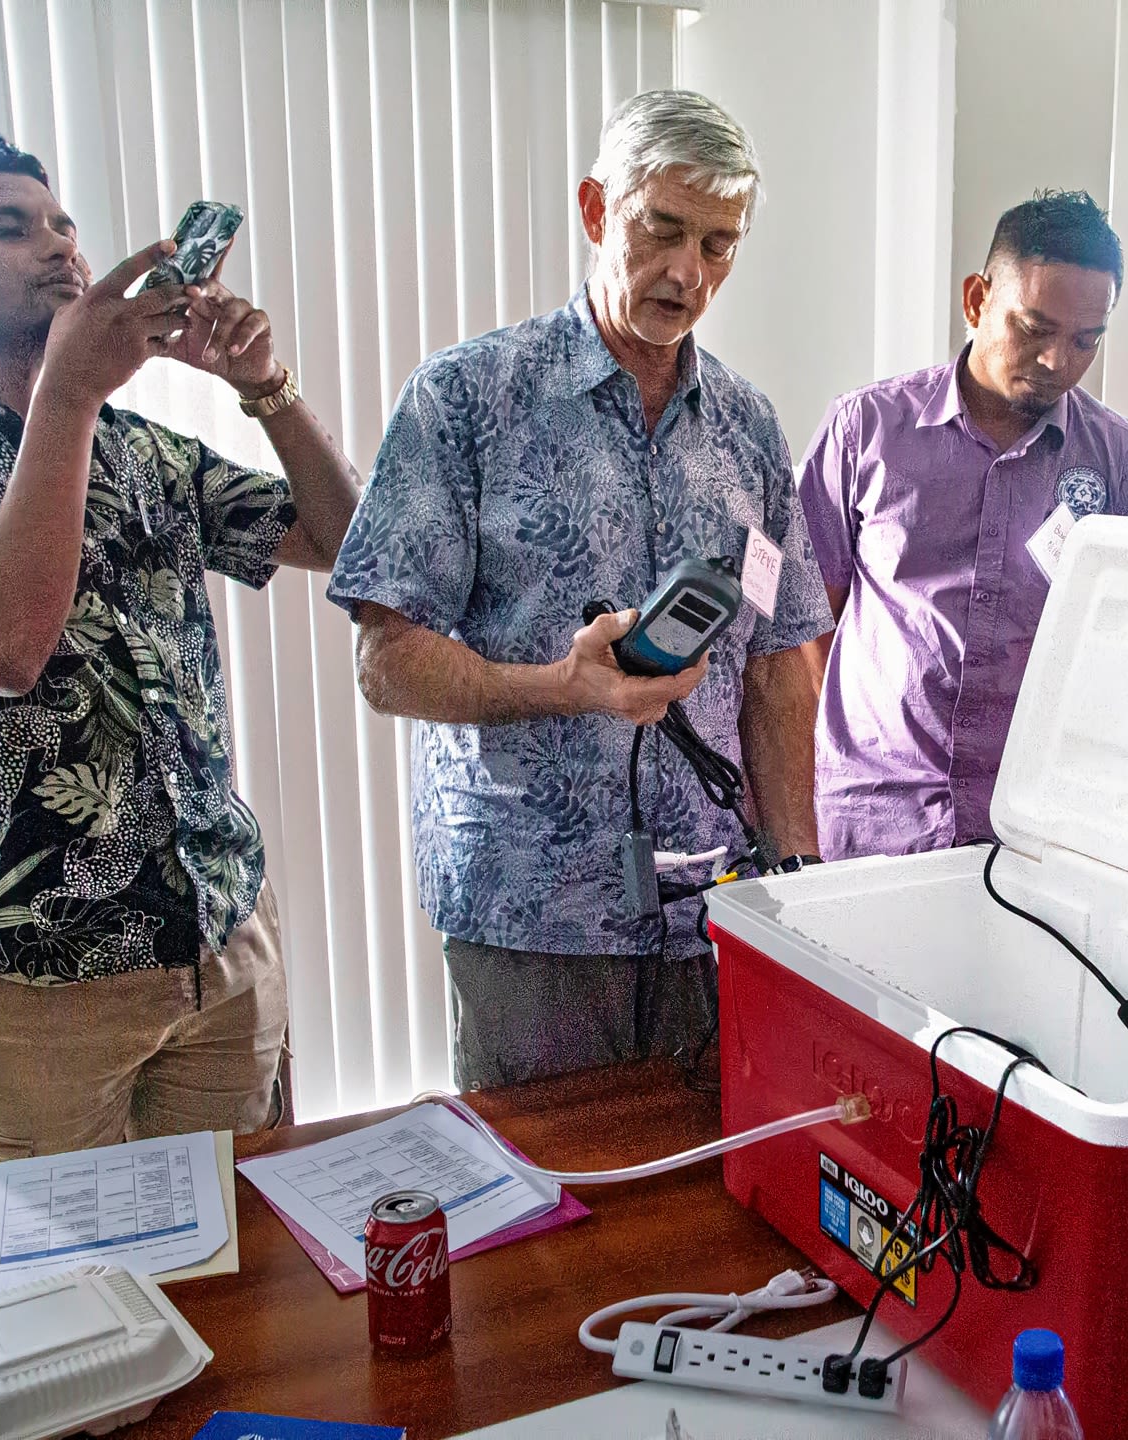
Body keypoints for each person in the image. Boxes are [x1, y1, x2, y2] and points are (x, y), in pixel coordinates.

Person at [0, 136, 361, 1185]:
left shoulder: (140, 449)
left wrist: (265, 387)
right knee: (57, 1314)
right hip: (33, 985)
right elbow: (1, 650)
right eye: (7, 229)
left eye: (60, 225)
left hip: (219, 946)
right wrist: (65, 395)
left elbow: (348, 545)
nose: (58, 249)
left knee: (234, 1289)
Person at [328, 90, 831, 1089]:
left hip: (715, 915)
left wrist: (800, 884)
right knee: (547, 1220)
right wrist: (565, 685)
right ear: (599, 210)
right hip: (532, 920)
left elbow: (781, 670)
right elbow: (387, 664)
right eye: (663, 229)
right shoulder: (465, 400)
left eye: (719, 246)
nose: (688, 272)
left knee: (710, 1210)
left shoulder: (749, 428)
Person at [797, 190, 1128, 860]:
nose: (1058, 361)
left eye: (1085, 340)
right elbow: (796, 633)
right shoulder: (865, 431)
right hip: (870, 818)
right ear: (975, 300)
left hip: (1039, 835)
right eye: (1033, 329)